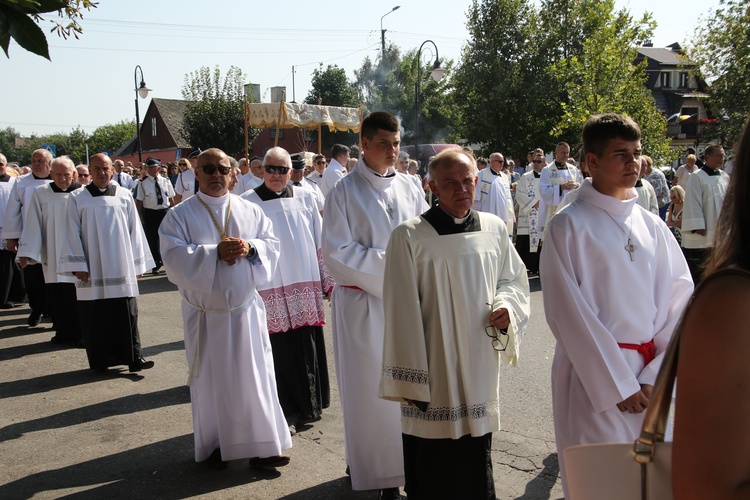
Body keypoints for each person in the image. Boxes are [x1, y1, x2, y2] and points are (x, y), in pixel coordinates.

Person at [539, 113, 693, 496]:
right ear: (591, 162)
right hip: (597, 383)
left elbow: (680, 299)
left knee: (652, 485)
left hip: (650, 379)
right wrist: (619, 383)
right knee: (602, 485)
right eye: (621, 154)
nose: (633, 163)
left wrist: (654, 374)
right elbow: (567, 313)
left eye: (637, 153)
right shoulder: (568, 226)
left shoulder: (651, 224)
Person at [380, 149, 530, 499]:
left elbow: (512, 280)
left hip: (479, 362)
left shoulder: (494, 229)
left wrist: (507, 306)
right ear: (431, 186)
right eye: (450, 182)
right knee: (433, 460)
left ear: (477, 181)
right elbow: (400, 310)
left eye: (467, 180)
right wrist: (411, 379)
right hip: (433, 364)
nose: (461, 188)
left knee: (478, 454)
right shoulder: (409, 236)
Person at [159, 147, 292, 470]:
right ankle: (217, 445)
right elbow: (173, 258)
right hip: (206, 316)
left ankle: (266, 447)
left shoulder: (250, 210)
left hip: (245, 312)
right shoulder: (179, 215)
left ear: (232, 173)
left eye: (222, 169)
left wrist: (251, 247)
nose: (216, 175)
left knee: (255, 379)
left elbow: (272, 245)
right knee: (213, 384)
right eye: (208, 169)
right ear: (196, 174)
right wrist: (212, 253)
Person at [322, 112, 428, 499]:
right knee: (370, 392)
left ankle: (405, 468)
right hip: (363, 304)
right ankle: (372, 470)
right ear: (363, 144)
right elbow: (337, 252)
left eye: (396, 143)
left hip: (406, 307)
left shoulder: (411, 186)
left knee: (407, 389)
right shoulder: (344, 192)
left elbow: (423, 240)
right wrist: (398, 270)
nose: (392, 150)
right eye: (384, 142)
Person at [672, 114, 750, 499]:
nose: (720, 158)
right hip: (704, 238)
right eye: (717, 153)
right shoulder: (731, 304)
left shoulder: (718, 177)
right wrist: (701, 227)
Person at [242, 147, 334, 433]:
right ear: (262, 169)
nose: (277, 175)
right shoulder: (247, 203)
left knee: (307, 345)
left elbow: (321, 241)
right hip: (268, 287)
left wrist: (327, 280)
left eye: (283, 170)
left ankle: (311, 405)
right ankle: (285, 409)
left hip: (303, 283)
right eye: (271, 169)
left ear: (291, 172)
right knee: (278, 352)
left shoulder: (306, 197)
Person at [58, 153, 155, 373]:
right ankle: (100, 361)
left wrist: (137, 264)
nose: (102, 173)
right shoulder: (77, 198)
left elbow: (135, 229)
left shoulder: (124, 195)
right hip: (92, 268)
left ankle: (134, 358)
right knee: (95, 315)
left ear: (112, 170)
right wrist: (78, 264)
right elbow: (71, 233)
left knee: (127, 313)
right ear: (89, 172)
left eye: (106, 168)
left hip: (121, 266)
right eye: (97, 169)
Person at [17, 156, 82, 346]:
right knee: (57, 295)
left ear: (74, 174)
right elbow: (33, 222)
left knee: (77, 295)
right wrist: (27, 251)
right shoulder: (41, 193)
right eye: (58, 174)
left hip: (77, 251)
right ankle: (62, 332)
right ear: (51, 174)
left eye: (67, 175)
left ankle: (80, 333)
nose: (62, 179)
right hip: (52, 253)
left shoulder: (82, 193)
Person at [4, 148, 53, 326]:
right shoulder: (21, 182)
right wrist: (11, 237)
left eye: (41, 160)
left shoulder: (58, 179)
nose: (37, 164)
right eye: (34, 160)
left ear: (49, 162)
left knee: (53, 275)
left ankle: (53, 310)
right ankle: (37, 308)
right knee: (33, 276)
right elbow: (12, 210)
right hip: (30, 233)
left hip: (54, 234)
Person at [681, 144, 730, 284]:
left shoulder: (725, 177)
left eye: (723, 156)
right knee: (700, 270)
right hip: (703, 231)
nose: (722, 159)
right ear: (707, 157)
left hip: (719, 231)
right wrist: (697, 225)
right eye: (719, 156)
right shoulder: (697, 177)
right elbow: (692, 201)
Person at [135, 157, 175, 275]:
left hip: (164, 212)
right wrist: (138, 215)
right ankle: (156, 263)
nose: (152, 169)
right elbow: (139, 200)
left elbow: (171, 198)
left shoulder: (166, 180)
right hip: (150, 213)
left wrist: (174, 211)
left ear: (158, 167)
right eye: (149, 167)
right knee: (153, 239)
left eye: (154, 167)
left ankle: (167, 262)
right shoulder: (143, 183)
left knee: (167, 238)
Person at [539, 142, 582, 235]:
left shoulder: (573, 169)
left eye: (567, 153)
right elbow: (543, 190)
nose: (565, 155)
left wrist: (576, 185)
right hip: (555, 208)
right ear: (556, 153)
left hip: (572, 209)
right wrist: (561, 187)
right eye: (563, 152)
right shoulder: (547, 170)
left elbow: (581, 185)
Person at [515, 149, 546, 274]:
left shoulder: (549, 177)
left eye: (539, 161)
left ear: (545, 164)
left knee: (542, 243)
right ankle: (528, 267)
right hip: (530, 215)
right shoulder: (525, 177)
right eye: (534, 161)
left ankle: (541, 267)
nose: (536, 163)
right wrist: (534, 203)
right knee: (528, 244)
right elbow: (519, 194)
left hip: (544, 215)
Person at [0, 153, 24, 309]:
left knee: (7, 265)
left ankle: (9, 296)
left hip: (6, 229)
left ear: (6, 165)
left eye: (0, 163)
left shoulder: (14, 183)